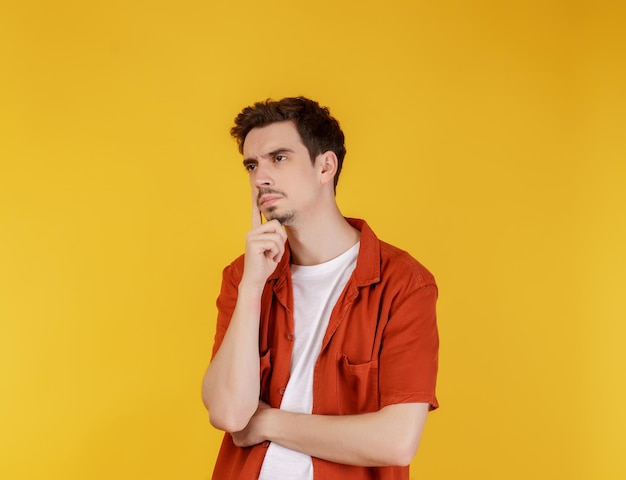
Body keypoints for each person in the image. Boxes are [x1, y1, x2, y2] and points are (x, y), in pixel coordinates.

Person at [202, 96, 439, 480]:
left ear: (325, 166)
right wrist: (251, 286)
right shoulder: (243, 276)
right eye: (252, 164)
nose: (260, 177)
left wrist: (264, 423)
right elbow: (228, 414)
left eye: (279, 158)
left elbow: (396, 440)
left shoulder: (403, 284)